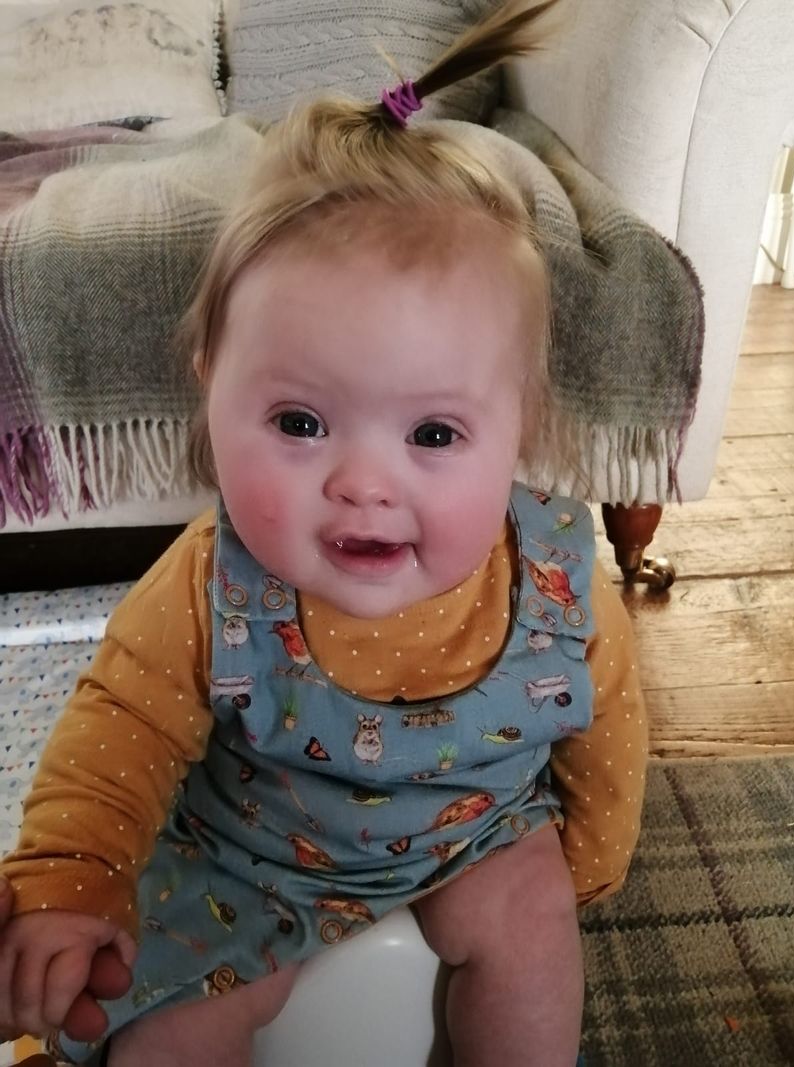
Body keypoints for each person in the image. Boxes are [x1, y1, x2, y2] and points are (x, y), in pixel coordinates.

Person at [0, 1, 648, 1063]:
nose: (361, 485)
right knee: (162, 1027)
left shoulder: (556, 577)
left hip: (473, 834)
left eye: (433, 433)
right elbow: (120, 726)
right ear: (210, 387)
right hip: (245, 855)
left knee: (533, 914)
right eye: (300, 422)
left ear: (520, 433)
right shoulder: (212, 581)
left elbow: (608, 729)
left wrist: (591, 860)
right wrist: (72, 878)